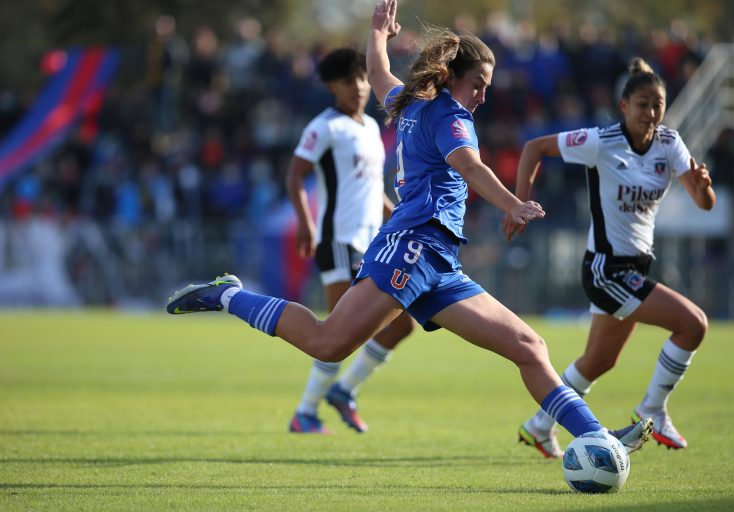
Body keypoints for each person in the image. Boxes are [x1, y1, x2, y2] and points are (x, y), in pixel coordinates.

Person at [166, 0, 652, 456]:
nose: (484, 94)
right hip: (412, 249)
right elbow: (472, 168)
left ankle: (597, 438)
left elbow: (377, 72)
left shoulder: (409, 102)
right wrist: (515, 203)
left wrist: (377, 33)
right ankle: (226, 295)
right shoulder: (449, 115)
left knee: (529, 346)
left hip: (437, 261)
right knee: (327, 342)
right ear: (453, 77)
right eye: (479, 83)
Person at [515, 57, 715, 458]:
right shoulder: (600, 141)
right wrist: (518, 204)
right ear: (623, 106)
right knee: (693, 325)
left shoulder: (669, 144)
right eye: (642, 103)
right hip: (607, 269)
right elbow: (534, 147)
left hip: (637, 267)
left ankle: (539, 425)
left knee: (598, 361)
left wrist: (703, 186)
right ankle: (653, 409)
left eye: (657, 104)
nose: (651, 112)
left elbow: (703, 202)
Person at [285, 48, 415, 434]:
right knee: (339, 333)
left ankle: (343, 391)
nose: (358, 87)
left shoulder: (372, 129)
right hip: (339, 240)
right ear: (331, 87)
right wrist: (306, 224)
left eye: (362, 79)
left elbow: (372, 187)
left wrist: (398, 216)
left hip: (373, 242)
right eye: (348, 81)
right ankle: (305, 412)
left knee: (401, 325)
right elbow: (295, 176)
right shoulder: (324, 127)